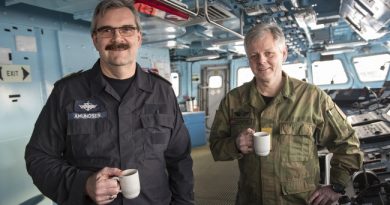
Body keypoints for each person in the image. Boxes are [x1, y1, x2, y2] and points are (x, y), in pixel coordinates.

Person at [25, 0, 194, 204]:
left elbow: (180, 160)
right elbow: (39, 157)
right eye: (106, 30)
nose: (117, 38)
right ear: (95, 39)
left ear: (139, 38)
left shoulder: (162, 92)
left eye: (127, 29)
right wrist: (83, 184)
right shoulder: (67, 93)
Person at [209, 22, 363, 205]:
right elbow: (216, 147)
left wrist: (336, 186)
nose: (261, 61)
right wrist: (235, 145)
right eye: (254, 56)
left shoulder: (313, 98)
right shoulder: (233, 100)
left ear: (284, 53)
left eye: (269, 53)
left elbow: (348, 144)